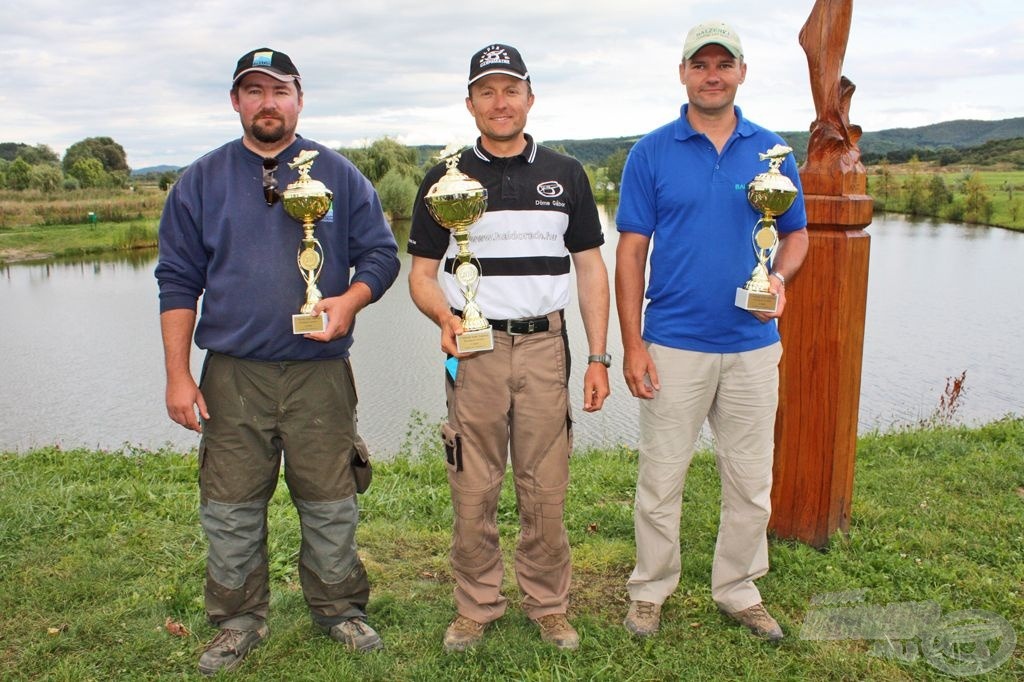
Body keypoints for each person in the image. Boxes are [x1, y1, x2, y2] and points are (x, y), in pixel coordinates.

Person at [155, 47, 399, 675]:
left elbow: (380, 255)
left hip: (320, 373)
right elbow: (178, 280)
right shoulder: (200, 181)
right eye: (254, 91)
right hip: (233, 373)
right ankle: (237, 620)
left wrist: (348, 300)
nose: (269, 103)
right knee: (231, 505)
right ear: (236, 101)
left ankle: (338, 609)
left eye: (280, 90)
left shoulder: (340, 176)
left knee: (330, 498)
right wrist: (179, 375)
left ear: (299, 98)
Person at [407, 43, 611, 652]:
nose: (501, 102)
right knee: (473, 486)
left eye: (511, 89)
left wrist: (599, 356)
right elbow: (420, 274)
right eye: (487, 91)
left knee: (545, 487)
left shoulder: (566, 174)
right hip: (474, 350)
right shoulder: (444, 181)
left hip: (547, 346)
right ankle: (478, 604)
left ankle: (548, 603)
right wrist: (445, 315)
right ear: (470, 102)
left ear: (530, 97)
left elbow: (592, 270)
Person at [614, 21, 809, 642]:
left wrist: (778, 278)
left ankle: (738, 587)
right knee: (660, 479)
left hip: (752, 347)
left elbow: (797, 234)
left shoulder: (773, 151)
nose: (713, 74)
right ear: (683, 73)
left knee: (751, 481)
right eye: (701, 65)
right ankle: (650, 589)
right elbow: (631, 251)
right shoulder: (651, 151)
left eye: (725, 64)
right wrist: (633, 343)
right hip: (672, 342)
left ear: (742, 73)